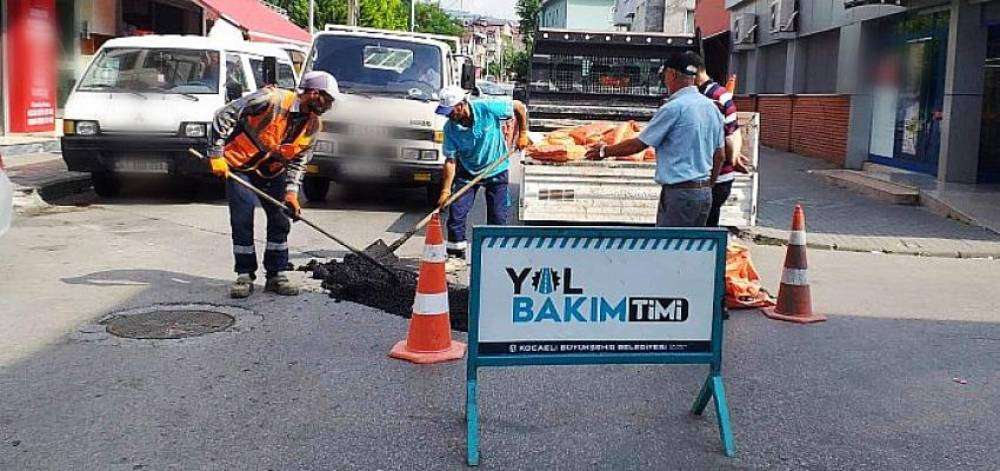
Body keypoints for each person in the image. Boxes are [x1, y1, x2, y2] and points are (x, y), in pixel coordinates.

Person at [209, 71, 338, 298]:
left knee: (280, 220)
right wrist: (216, 154)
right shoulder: (270, 99)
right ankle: (244, 275)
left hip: (272, 172)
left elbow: (298, 162)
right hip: (240, 166)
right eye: (327, 100)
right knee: (242, 218)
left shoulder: (313, 125)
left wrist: (291, 193)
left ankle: (276, 274)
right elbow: (224, 115)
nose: (329, 106)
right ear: (313, 93)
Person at [585, 52, 724, 227]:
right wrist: (708, 185)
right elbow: (720, 155)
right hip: (703, 194)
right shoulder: (712, 108)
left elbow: (638, 145)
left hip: (679, 195)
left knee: (670, 242)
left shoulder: (674, 108)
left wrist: (604, 151)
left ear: (672, 74)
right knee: (692, 243)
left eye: (664, 75)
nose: (664, 81)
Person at [435, 85, 530, 264]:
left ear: (461, 105)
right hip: (468, 171)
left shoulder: (486, 108)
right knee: (456, 214)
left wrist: (523, 133)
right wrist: (445, 190)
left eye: (450, 111)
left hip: (496, 167)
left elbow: (519, 106)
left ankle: (496, 257)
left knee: (498, 217)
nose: (448, 116)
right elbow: (450, 160)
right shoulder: (450, 129)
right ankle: (456, 255)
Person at [692, 54, 747, 226]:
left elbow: (726, 144)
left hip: (712, 179)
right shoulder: (720, 94)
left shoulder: (711, 97)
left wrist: (711, 181)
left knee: (702, 229)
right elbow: (733, 132)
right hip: (721, 179)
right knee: (708, 226)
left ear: (693, 73)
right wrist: (734, 158)